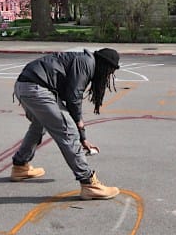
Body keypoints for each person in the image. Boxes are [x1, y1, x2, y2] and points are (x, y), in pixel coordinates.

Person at [10, 48, 122, 200]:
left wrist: (83, 137)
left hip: (25, 86)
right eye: (110, 70)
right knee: (68, 131)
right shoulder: (87, 62)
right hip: (36, 88)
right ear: (104, 64)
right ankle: (89, 183)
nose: (109, 75)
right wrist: (79, 127)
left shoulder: (83, 59)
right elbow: (74, 96)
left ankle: (20, 165)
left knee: (39, 125)